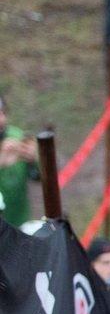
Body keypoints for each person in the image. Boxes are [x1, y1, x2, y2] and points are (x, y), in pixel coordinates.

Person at [0, 93, 39, 228]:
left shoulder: (17, 136)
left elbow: (37, 177)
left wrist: (33, 161)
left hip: (21, 223)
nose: (2, 120)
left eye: (3, 113)